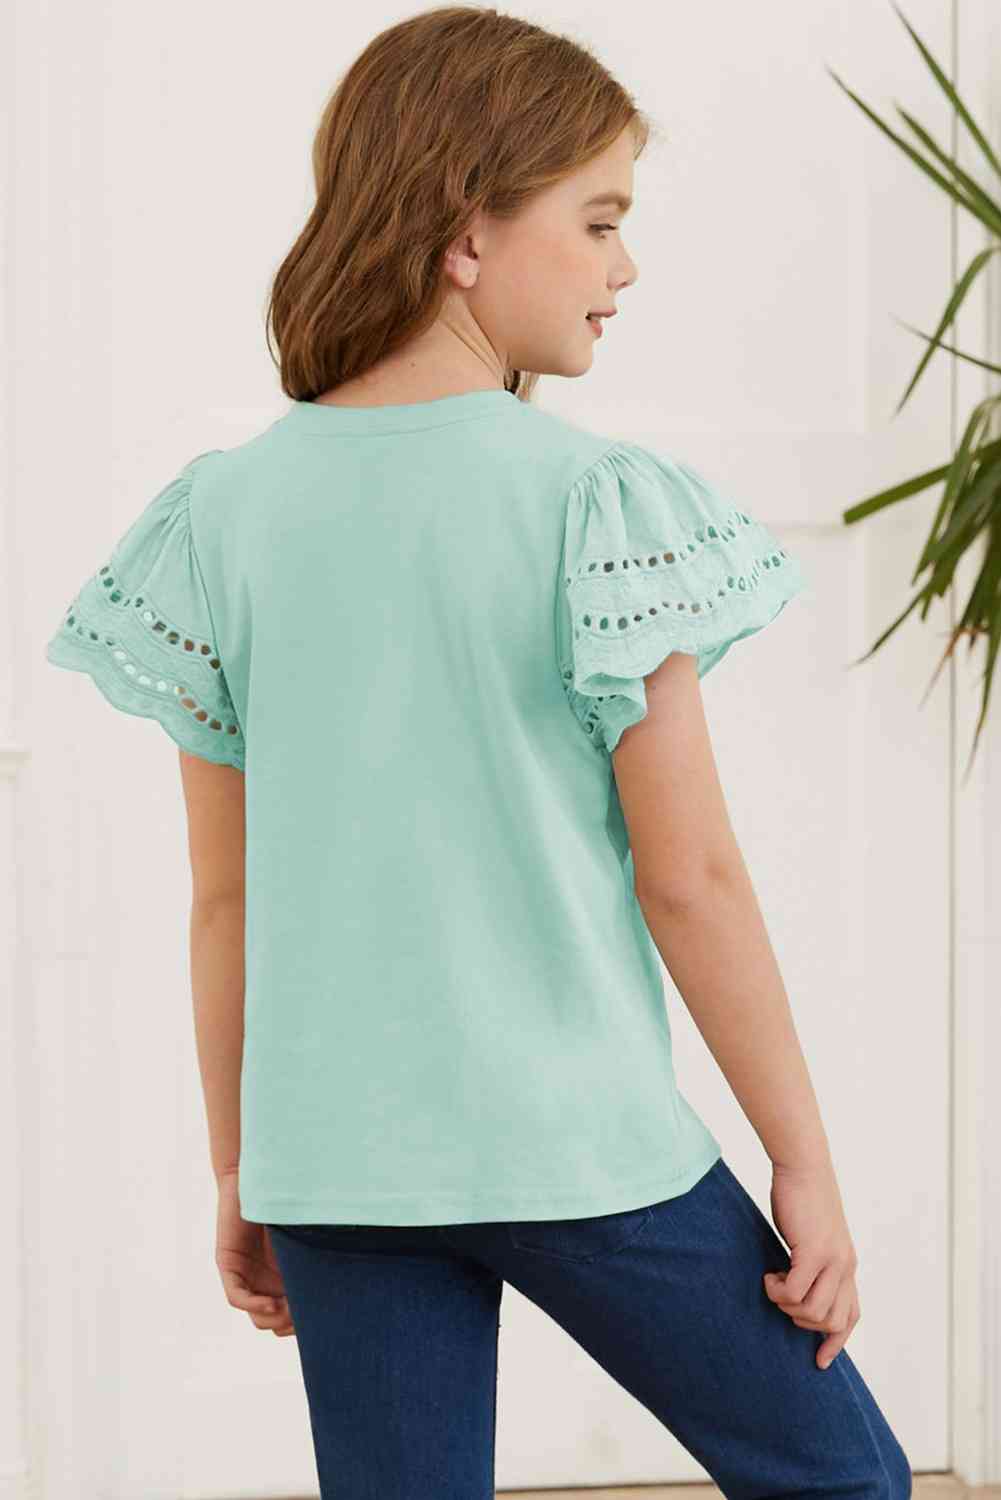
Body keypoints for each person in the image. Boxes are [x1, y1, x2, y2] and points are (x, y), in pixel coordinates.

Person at [44, 6, 912, 1496]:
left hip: (334, 1162)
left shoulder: (222, 514)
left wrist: (243, 1165)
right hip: (574, 1145)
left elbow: (226, 901)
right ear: (465, 231)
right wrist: (804, 1160)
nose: (625, 268)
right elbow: (690, 876)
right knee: (840, 1478)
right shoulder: (594, 504)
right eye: (599, 220)